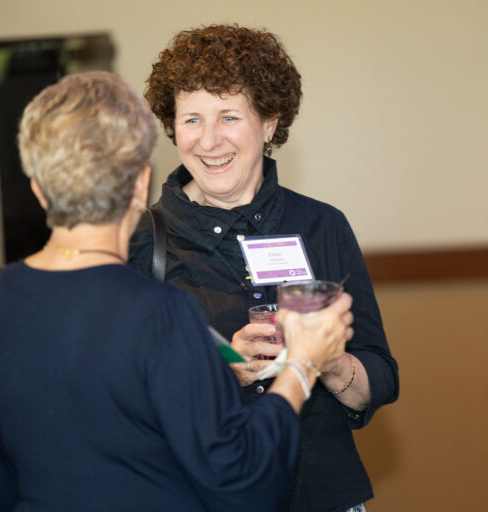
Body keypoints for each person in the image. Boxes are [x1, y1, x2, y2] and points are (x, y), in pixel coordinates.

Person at [0, 71, 355, 512]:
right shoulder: (160, 312)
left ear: (38, 191)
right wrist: (302, 365)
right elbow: (242, 478)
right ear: (140, 184)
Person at [128, 24, 399, 512]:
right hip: (202, 496)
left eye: (229, 116)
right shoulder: (142, 242)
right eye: (191, 120)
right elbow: (122, 398)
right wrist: (223, 372)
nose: (209, 141)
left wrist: (328, 362)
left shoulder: (321, 226)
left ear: (269, 123)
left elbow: (380, 376)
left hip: (322, 493)